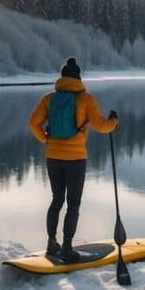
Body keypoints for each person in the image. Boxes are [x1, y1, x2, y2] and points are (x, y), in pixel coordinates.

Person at [28, 57, 118, 262]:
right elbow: (103, 127)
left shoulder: (49, 98)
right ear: (78, 77)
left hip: (53, 157)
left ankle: (51, 243)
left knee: (56, 199)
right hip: (76, 158)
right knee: (73, 204)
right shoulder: (86, 99)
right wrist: (114, 121)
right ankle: (67, 248)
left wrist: (46, 140)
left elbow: (32, 123)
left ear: (62, 77)